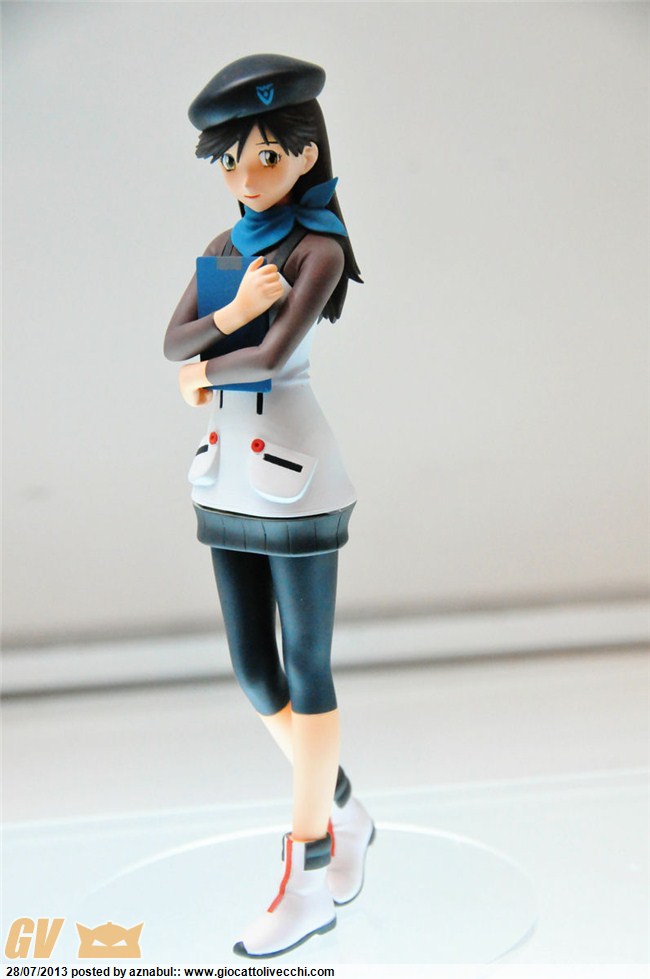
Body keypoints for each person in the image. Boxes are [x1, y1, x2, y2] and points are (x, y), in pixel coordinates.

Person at [164, 53, 374, 959]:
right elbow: (171, 339)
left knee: (307, 667)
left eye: (266, 157)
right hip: (225, 471)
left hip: (293, 470)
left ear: (304, 154)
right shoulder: (225, 248)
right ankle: (346, 805)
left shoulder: (317, 248)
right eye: (231, 160)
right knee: (256, 674)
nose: (246, 177)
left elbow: (272, 351)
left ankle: (309, 869)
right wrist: (220, 324)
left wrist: (205, 365)